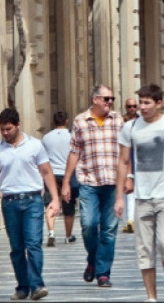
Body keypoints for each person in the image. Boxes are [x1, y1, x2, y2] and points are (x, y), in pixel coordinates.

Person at [0, 107, 61, 302]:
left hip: (32, 200)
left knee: (33, 243)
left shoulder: (35, 145)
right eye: (2, 130)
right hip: (10, 202)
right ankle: (22, 286)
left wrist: (55, 198)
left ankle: (37, 285)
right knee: (17, 247)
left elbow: (46, 172)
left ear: (18, 125)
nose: (5, 133)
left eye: (8, 129)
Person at [115, 85, 164, 303]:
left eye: (147, 103)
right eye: (140, 102)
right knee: (144, 249)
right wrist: (119, 197)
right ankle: (151, 297)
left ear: (159, 103)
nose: (142, 107)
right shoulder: (130, 127)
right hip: (142, 196)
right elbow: (122, 162)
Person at [63, 84, 124, 288]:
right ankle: (93, 260)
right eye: (106, 99)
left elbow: (126, 151)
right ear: (95, 99)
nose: (110, 103)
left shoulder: (118, 120)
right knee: (89, 225)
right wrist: (66, 182)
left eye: (112, 99)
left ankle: (103, 272)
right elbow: (74, 152)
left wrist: (129, 176)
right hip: (89, 181)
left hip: (113, 182)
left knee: (108, 229)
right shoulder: (80, 121)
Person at [41, 111, 77, 246]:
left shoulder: (46, 138)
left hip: (51, 174)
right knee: (69, 205)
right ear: (66, 121)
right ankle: (68, 236)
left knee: (50, 203)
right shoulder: (72, 136)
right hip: (68, 174)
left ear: (53, 122)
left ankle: (51, 232)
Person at [123, 97, 140, 234]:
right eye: (129, 106)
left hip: (138, 158)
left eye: (134, 106)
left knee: (134, 190)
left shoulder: (142, 121)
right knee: (126, 191)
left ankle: (132, 219)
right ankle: (128, 220)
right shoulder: (121, 122)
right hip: (125, 158)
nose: (132, 109)